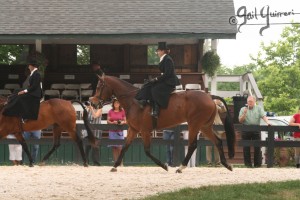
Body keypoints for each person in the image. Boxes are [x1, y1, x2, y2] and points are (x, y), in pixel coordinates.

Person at [136, 42, 180, 118]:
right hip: (165, 79)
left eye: (158, 51)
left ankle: (156, 109)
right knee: (148, 84)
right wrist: (155, 80)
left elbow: (167, 74)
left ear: (163, 51)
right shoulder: (163, 59)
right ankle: (144, 100)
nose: (157, 53)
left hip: (170, 82)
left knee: (155, 89)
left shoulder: (168, 59)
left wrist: (156, 79)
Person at [239, 96, 271, 168]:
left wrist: (268, 122)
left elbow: (263, 116)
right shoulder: (243, 109)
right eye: (248, 101)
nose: (249, 103)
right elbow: (240, 121)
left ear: (254, 102)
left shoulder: (259, 108)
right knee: (246, 147)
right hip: (246, 129)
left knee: (257, 147)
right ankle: (248, 165)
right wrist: (244, 114)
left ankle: (257, 164)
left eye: (251, 101)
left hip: (256, 129)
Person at [206, 99, 227, 167]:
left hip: (217, 127)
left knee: (217, 145)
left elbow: (223, 110)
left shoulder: (215, 106)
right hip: (208, 128)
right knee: (208, 146)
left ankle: (218, 162)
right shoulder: (205, 106)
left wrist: (221, 104)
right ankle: (209, 162)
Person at [107, 98, 126, 164]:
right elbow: (108, 121)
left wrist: (122, 122)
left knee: (120, 147)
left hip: (120, 131)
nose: (116, 104)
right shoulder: (110, 111)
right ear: (113, 104)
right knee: (114, 147)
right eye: (115, 103)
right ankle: (115, 162)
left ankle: (121, 162)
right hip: (112, 131)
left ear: (119, 104)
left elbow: (125, 120)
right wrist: (113, 122)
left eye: (117, 103)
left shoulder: (122, 111)